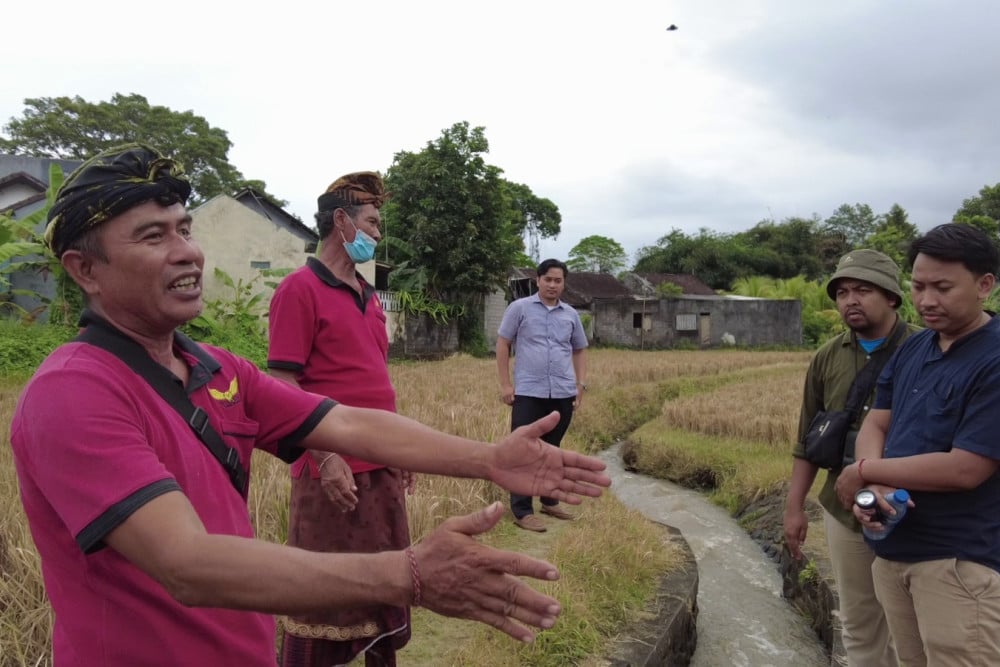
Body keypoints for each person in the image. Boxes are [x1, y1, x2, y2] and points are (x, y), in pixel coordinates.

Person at [8, 144, 612, 666]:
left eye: (185, 230)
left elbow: (343, 418)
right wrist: (410, 574)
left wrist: (487, 458)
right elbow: (185, 563)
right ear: (84, 269)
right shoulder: (74, 392)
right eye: (152, 237)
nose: (186, 252)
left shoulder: (213, 368)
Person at [834, 223, 1000, 666]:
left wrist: (866, 472)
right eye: (919, 286)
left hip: (957, 564)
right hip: (892, 553)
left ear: (985, 284)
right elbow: (878, 421)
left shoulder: (993, 359)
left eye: (943, 288)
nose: (927, 300)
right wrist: (877, 483)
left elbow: (968, 468)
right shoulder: (915, 347)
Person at [267, 171, 412, 666]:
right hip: (331, 472)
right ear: (341, 222)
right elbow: (284, 387)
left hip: (380, 464)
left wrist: (401, 449)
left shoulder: (369, 298)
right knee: (324, 593)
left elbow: (377, 383)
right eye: (371, 223)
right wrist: (326, 456)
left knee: (385, 584)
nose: (377, 234)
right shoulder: (299, 290)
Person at [783, 249, 916, 666]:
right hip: (844, 508)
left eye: (863, 290)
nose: (850, 300)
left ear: (892, 297)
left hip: (916, 506)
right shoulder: (827, 356)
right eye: (842, 292)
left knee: (911, 625)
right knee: (860, 623)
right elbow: (809, 438)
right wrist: (793, 509)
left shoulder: (924, 349)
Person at [496, 258, 588, 532]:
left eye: (557, 280)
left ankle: (549, 500)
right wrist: (505, 384)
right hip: (528, 392)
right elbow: (503, 343)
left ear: (563, 284)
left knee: (553, 449)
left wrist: (580, 384)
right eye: (547, 279)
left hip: (562, 392)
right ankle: (522, 510)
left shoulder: (571, 315)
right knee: (523, 450)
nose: (552, 285)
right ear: (538, 280)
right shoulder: (519, 308)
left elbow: (580, 349)